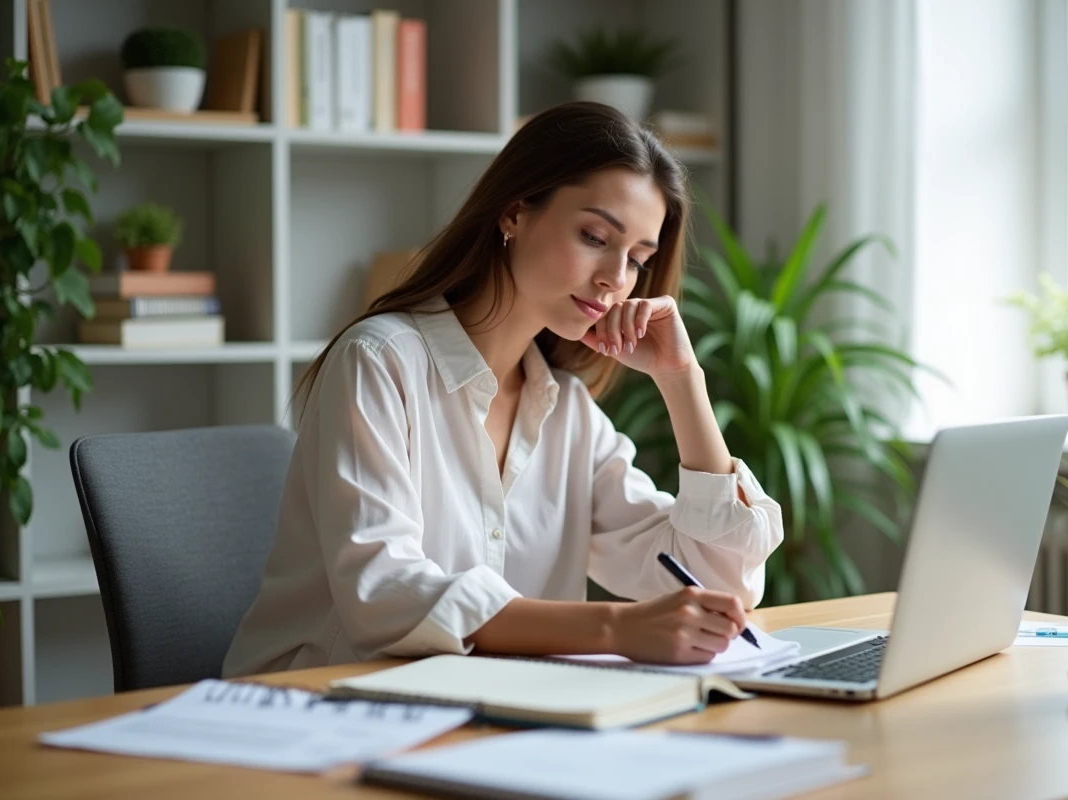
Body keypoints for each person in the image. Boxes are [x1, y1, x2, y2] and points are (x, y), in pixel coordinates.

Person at [222, 102, 784, 678]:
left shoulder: (567, 414)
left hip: (487, 713)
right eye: (595, 236)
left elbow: (719, 587)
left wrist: (681, 380)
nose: (617, 278)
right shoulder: (379, 361)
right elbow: (384, 591)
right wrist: (615, 628)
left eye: (639, 260)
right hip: (319, 704)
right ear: (515, 212)